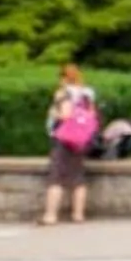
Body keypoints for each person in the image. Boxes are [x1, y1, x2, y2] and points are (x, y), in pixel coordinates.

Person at [40, 63, 99, 227]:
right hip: (81, 140)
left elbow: (66, 115)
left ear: (63, 78)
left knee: (56, 177)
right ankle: (78, 214)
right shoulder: (87, 93)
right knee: (78, 177)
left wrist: (54, 113)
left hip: (64, 138)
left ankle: (50, 216)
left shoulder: (63, 93)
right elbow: (92, 115)